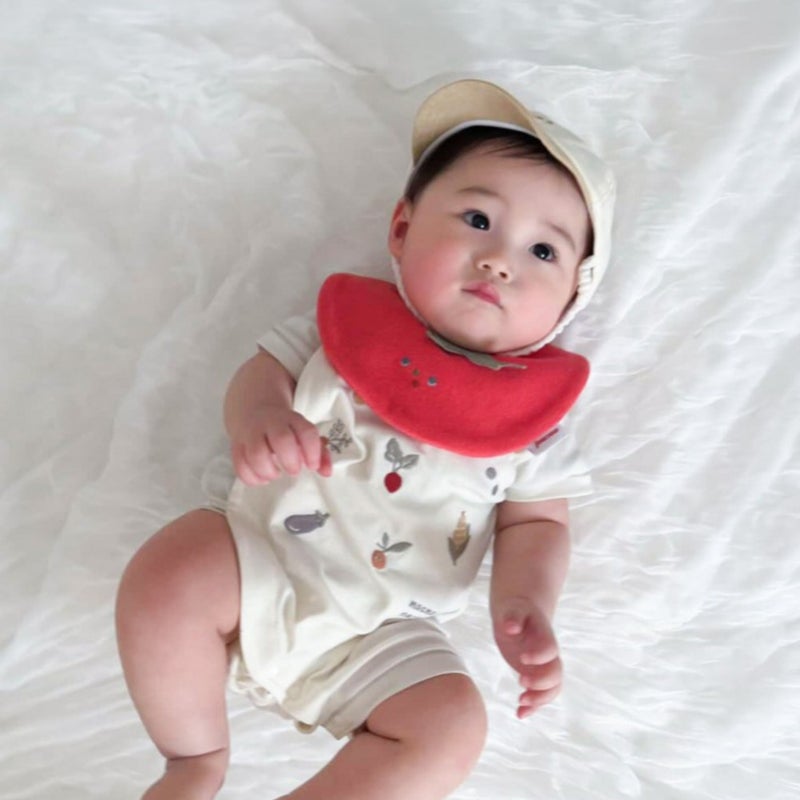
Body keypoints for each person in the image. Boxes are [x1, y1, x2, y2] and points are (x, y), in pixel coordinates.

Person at [115, 79, 615, 800]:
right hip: (261, 557)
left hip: (385, 630)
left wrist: (527, 603)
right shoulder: (347, 335)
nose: (500, 260)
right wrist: (259, 417)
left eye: (543, 251)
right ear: (403, 230)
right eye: (478, 218)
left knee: (451, 725)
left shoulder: (533, 422)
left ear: (572, 298)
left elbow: (538, 523)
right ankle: (194, 757)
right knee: (169, 572)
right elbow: (262, 375)